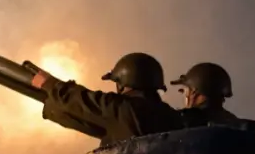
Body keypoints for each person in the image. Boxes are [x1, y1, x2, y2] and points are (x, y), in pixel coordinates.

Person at [31, 52, 182, 144]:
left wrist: (49, 84)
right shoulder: (173, 117)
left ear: (122, 84)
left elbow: (82, 101)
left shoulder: (122, 109)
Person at [170, 63, 240, 126]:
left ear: (193, 92)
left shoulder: (181, 121)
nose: (184, 96)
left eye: (185, 91)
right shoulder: (235, 123)